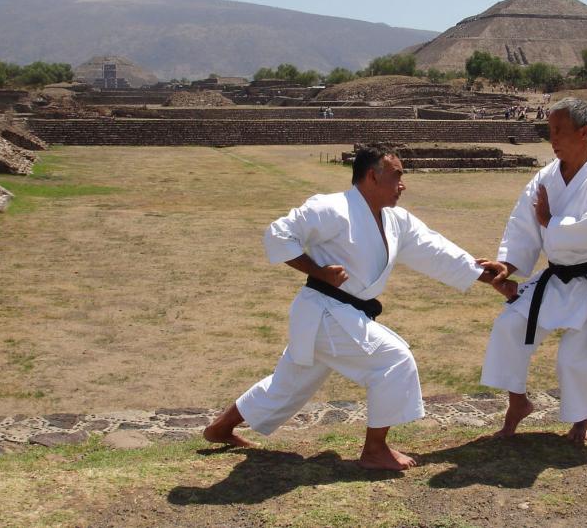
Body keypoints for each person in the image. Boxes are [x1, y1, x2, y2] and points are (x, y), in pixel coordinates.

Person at [203, 145, 498, 470]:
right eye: (397, 176)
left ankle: (220, 429)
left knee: (284, 386)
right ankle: (375, 450)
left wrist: (484, 275)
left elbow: (435, 250)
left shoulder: (396, 221)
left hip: (334, 317)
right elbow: (279, 233)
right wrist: (318, 271)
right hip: (326, 313)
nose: (403, 184)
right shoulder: (332, 208)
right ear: (373, 175)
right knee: (394, 359)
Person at [479, 98, 587, 445]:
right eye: (549, 130)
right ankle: (518, 403)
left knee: (575, 357)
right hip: (558, 276)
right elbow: (524, 225)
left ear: (584, 133)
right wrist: (506, 265)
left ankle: (583, 417)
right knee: (510, 325)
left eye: (559, 131)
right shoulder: (546, 177)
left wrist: (551, 222)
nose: (552, 139)